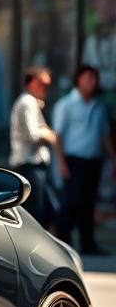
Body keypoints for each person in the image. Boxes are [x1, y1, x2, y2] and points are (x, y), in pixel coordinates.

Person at [53, 64, 116, 255]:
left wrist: (114, 157)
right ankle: (63, 246)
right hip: (73, 161)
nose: (92, 82)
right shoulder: (66, 104)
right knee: (72, 203)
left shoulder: (98, 106)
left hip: (94, 162)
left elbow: (105, 135)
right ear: (78, 80)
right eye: (88, 78)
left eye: (94, 78)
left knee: (88, 204)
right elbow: (58, 136)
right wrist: (61, 163)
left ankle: (88, 244)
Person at [9, 66, 59, 228]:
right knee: (38, 212)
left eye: (47, 84)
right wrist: (48, 134)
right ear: (31, 83)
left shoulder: (31, 102)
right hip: (29, 165)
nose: (45, 88)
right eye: (42, 83)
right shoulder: (27, 102)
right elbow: (33, 135)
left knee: (48, 208)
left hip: (35, 165)